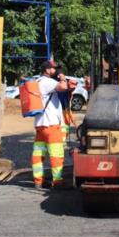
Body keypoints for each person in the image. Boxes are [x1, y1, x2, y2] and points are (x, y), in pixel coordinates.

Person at [32, 59, 71, 189]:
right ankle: (58, 182)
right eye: (55, 69)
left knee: (38, 154)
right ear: (48, 70)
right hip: (51, 125)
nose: (57, 71)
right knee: (57, 154)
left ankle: (38, 180)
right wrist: (63, 78)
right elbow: (63, 87)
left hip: (39, 125)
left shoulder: (36, 82)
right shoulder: (48, 82)